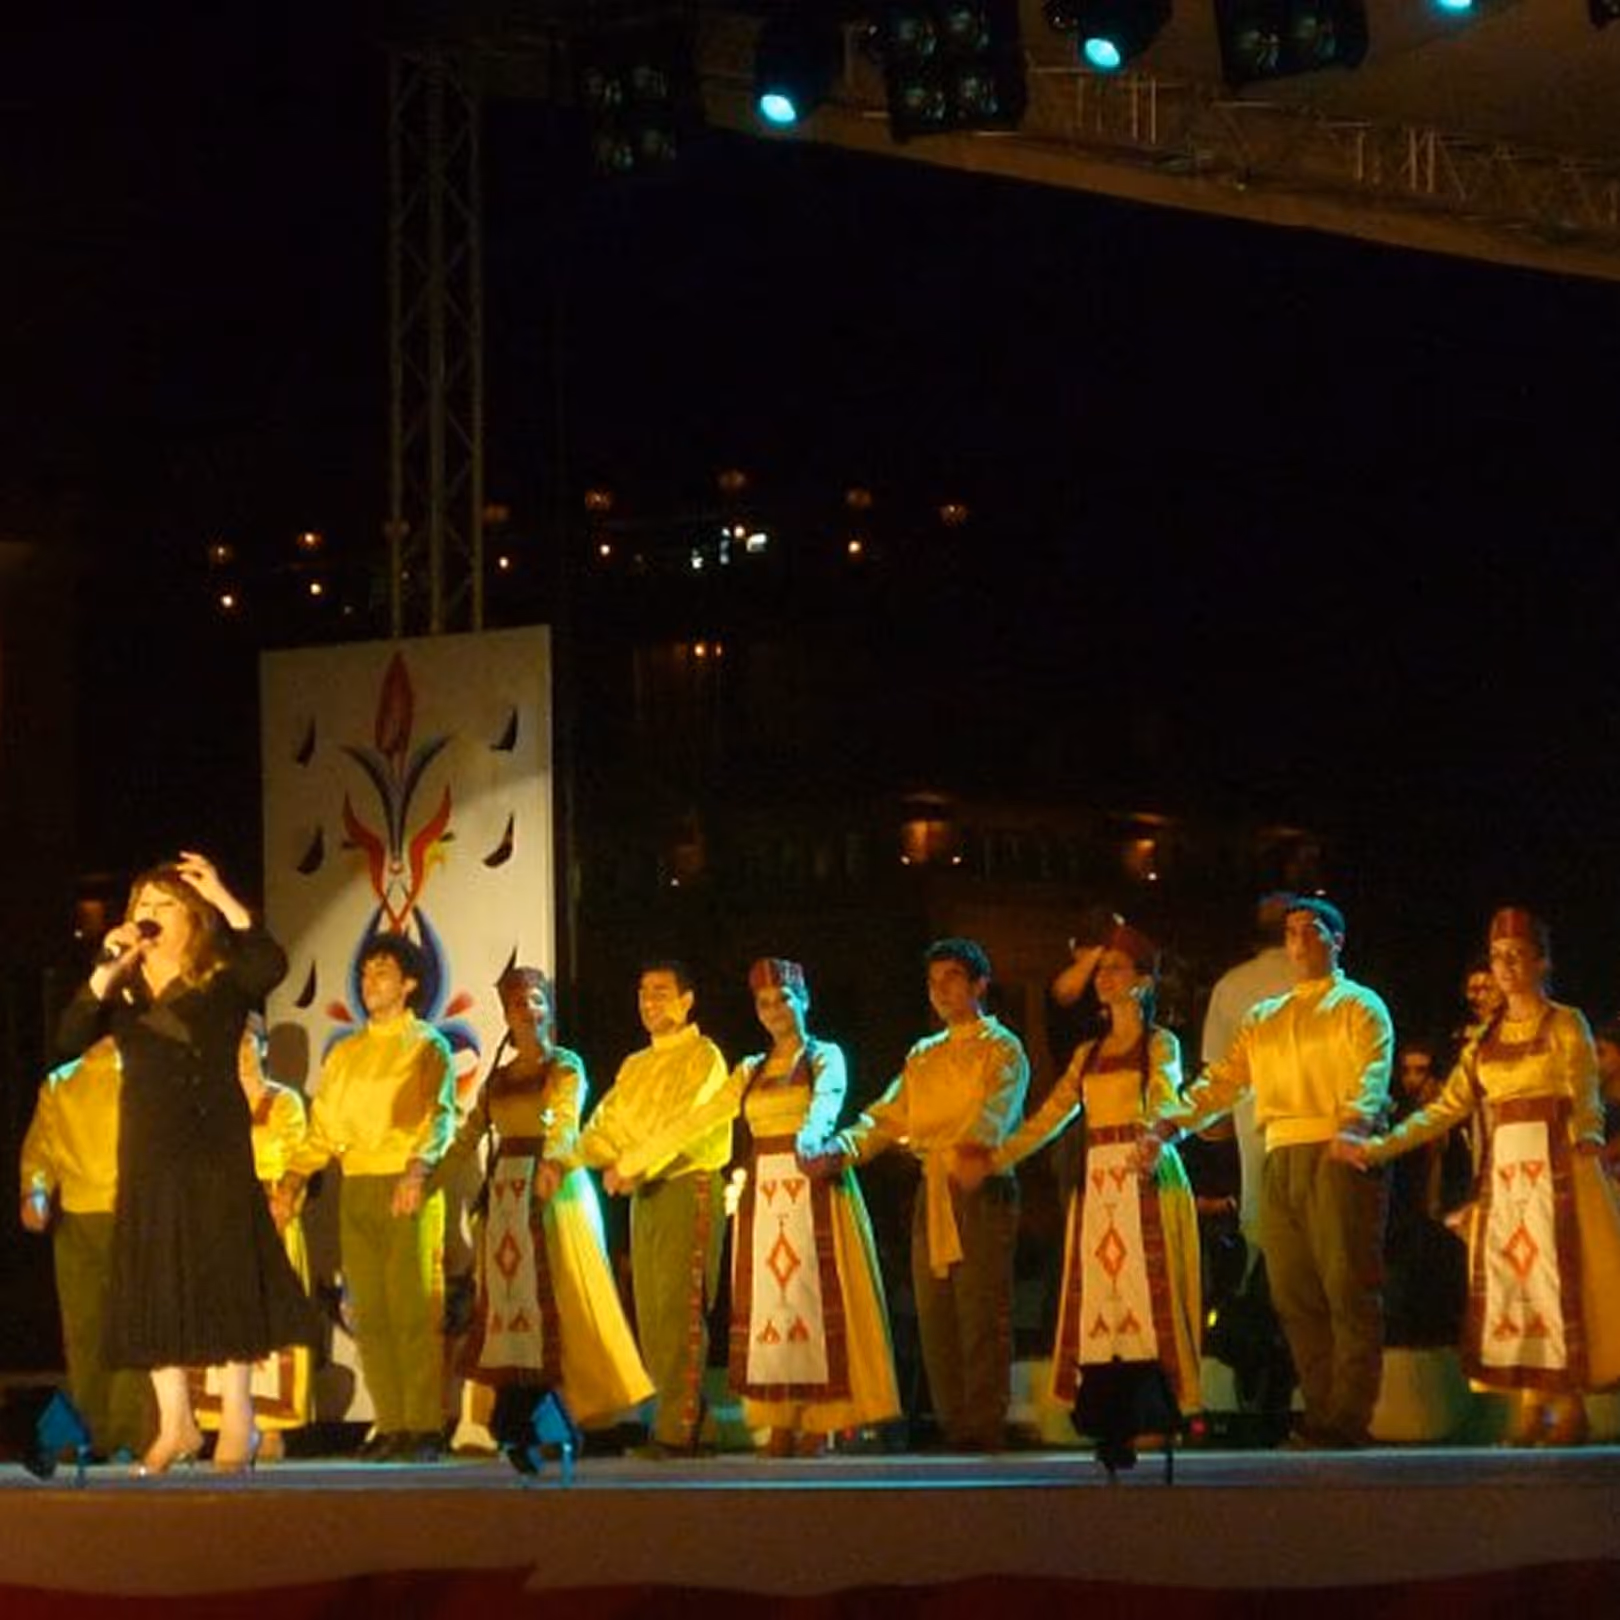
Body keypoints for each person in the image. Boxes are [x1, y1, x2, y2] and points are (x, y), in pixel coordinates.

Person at [55, 852, 311, 1476]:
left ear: (192, 918)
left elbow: (270, 963)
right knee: (156, 1282)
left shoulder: (220, 979)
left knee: (221, 1277)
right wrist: (106, 969)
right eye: (140, 907)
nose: (148, 916)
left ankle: (240, 1419)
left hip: (213, 1146)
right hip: (148, 1150)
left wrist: (223, 893)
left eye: (163, 906)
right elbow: (67, 1038)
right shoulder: (124, 991)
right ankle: (176, 1422)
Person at [1337, 908, 1620, 1445]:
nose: (1506, 967)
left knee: (1559, 1286)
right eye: (1498, 957)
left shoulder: (1565, 1023)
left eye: (1517, 956)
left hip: (1557, 1171)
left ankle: (1569, 1405)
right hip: (1506, 1180)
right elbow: (1444, 1109)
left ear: (1542, 962)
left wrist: (1589, 1136)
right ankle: (1532, 1407)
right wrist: (1379, 1147)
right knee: (1515, 1286)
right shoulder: (1484, 1042)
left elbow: (1585, 1094)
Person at [1142, 897, 1393, 1449]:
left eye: (1312, 930)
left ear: (1336, 941)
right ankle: (1324, 1408)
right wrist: (1169, 1126)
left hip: (1336, 1152)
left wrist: (1354, 1124)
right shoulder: (1266, 1017)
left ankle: (1348, 1415)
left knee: (1346, 1285)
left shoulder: (1359, 1005)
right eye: (1291, 931)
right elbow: (1223, 1082)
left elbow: (1371, 1072)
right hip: (1280, 1152)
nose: (1299, 940)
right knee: (1294, 1293)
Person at [806, 937, 1029, 1452]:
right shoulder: (923, 1055)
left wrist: (968, 1154)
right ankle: (954, 1423)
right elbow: (888, 1116)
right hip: (933, 1191)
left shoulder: (1002, 1048)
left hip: (979, 1188)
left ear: (979, 985)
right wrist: (841, 1148)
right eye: (933, 981)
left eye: (953, 978)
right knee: (936, 1314)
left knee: (980, 1310)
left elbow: (994, 1114)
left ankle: (983, 1424)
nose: (941, 990)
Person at [975, 924, 1201, 1427]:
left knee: (1146, 1293)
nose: (1104, 978)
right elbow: (1051, 1115)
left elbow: (1166, 1095)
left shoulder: (1159, 1046)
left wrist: (1154, 1137)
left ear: (1143, 981)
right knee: (1103, 1293)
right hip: (1099, 1186)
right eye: (1101, 970)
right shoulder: (1088, 1054)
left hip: (1143, 1172)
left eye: (1116, 969)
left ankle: (1156, 1412)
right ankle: (1109, 1409)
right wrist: (997, 1157)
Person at [445, 966, 652, 1432]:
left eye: (536, 1000)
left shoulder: (564, 1065)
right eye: (518, 1003)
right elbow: (466, 1138)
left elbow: (565, 1119)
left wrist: (553, 1164)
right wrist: (427, 1181)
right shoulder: (497, 1080)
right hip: (505, 1197)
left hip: (554, 1189)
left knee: (566, 1295)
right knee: (510, 1302)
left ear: (548, 1008)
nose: (528, 1009)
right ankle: (517, 1413)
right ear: (506, 1013)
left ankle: (584, 1407)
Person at [285, 933, 458, 1463]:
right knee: (371, 1314)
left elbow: (440, 1116)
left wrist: (416, 1170)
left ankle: (425, 1426)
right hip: (356, 1186)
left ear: (408, 984)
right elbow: (324, 1128)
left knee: (412, 1311)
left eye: (382, 972)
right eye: (365, 972)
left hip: (405, 1183)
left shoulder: (428, 1045)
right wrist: (295, 1175)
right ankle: (391, 1423)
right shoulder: (348, 1053)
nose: (370, 981)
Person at [723, 958, 899, 1455]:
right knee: (772, 1306)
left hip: (811, 1182)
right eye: (765, 1003)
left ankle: (823, 1418)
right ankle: (780, 1416)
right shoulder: (749, 1071)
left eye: (784, 999)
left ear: (804, 1001)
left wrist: (810, 1136)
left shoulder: (825, 1055)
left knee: (815, 1298)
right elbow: (709, 1112)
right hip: (764, 1194)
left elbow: (829, 1099)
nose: (776, 1010)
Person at [574, 961, 730, 1454]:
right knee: (653, 1313)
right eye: (643, 993)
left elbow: (684, 1124)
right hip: (645, 1194)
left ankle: (677, 1427)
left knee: (680, 1310)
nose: (649, 1002)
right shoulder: (636, 1065)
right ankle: (682, 1420)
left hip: (688, 1184)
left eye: (662, 992)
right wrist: (578, 1157)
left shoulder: (703, 1056)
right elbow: (606, 1123)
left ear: (687, 1001)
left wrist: (634, 1163)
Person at [18, 1038, 152, 1461]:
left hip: (133, 1213)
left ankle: (131, 1435)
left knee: (133, 1327)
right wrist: (35, 1190)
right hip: (78, 1219)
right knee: (85, 1331)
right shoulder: (62, 1081)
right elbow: (41, 1147)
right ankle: (86, 1432)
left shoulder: (144, 1069)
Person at [191, 1015, 313, 1460]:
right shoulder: (212, 1102)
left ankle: (274, 1423)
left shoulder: (284, 1103)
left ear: (263, 1048)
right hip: (223, 1221)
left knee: (272, 1324)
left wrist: (281, 1202)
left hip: (272, 1218)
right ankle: (221, 1418)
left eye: (249, 1041)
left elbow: (300, 1154)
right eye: (233, 1041)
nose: (241, 1050)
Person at [1200, 893, 1298, 1247]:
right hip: (1322, 1134)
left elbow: (1218, 1076)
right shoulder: (1331, 986)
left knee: (1262, 1235)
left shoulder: (1231, 986)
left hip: (1257, 1132)